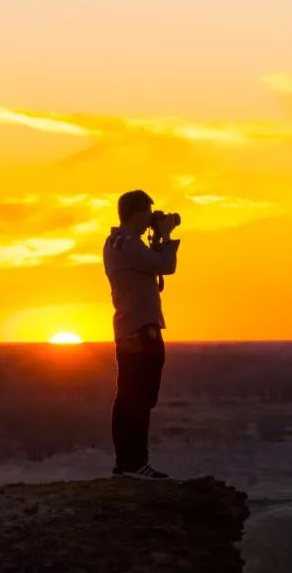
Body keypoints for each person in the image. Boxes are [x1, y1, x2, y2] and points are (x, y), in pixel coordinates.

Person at [103, 189, 180, 480]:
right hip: (141, 329)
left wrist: (156, 239)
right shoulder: (128, 244)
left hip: (128, 328)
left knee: (128, 397)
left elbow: (151, 266)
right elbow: (165, 266)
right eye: (149, 213)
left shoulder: (115, 242)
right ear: (137, 213)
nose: (152, 218)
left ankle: (127, 463)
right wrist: (167, 236)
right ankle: (135, 463)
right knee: (139, 397)